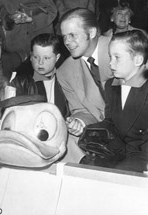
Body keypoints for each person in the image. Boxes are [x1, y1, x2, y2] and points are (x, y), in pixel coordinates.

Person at [56, 8, 113, 162]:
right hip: (105, 132)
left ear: (92, 32)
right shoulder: (65, 71)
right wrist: (79, 122)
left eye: (73, 35)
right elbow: (81, 109)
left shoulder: (120, 50)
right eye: (64, 37)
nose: (67, 42)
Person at [92, 30, 148, 172]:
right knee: (87, 165)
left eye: (117, 57)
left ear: (138, 60)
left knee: (119, 172)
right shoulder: (111, 86)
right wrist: (95, 133)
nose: (111, 63)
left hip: (142, 152)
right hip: (118, 149)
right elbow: (111, 120)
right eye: (110, 57)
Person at [11, 33, 69, 118]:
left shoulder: (66, 79)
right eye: (36, 57)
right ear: (30, 56)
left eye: (46, 58)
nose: (40, 62)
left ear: (57, 58)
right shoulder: (20, 82)